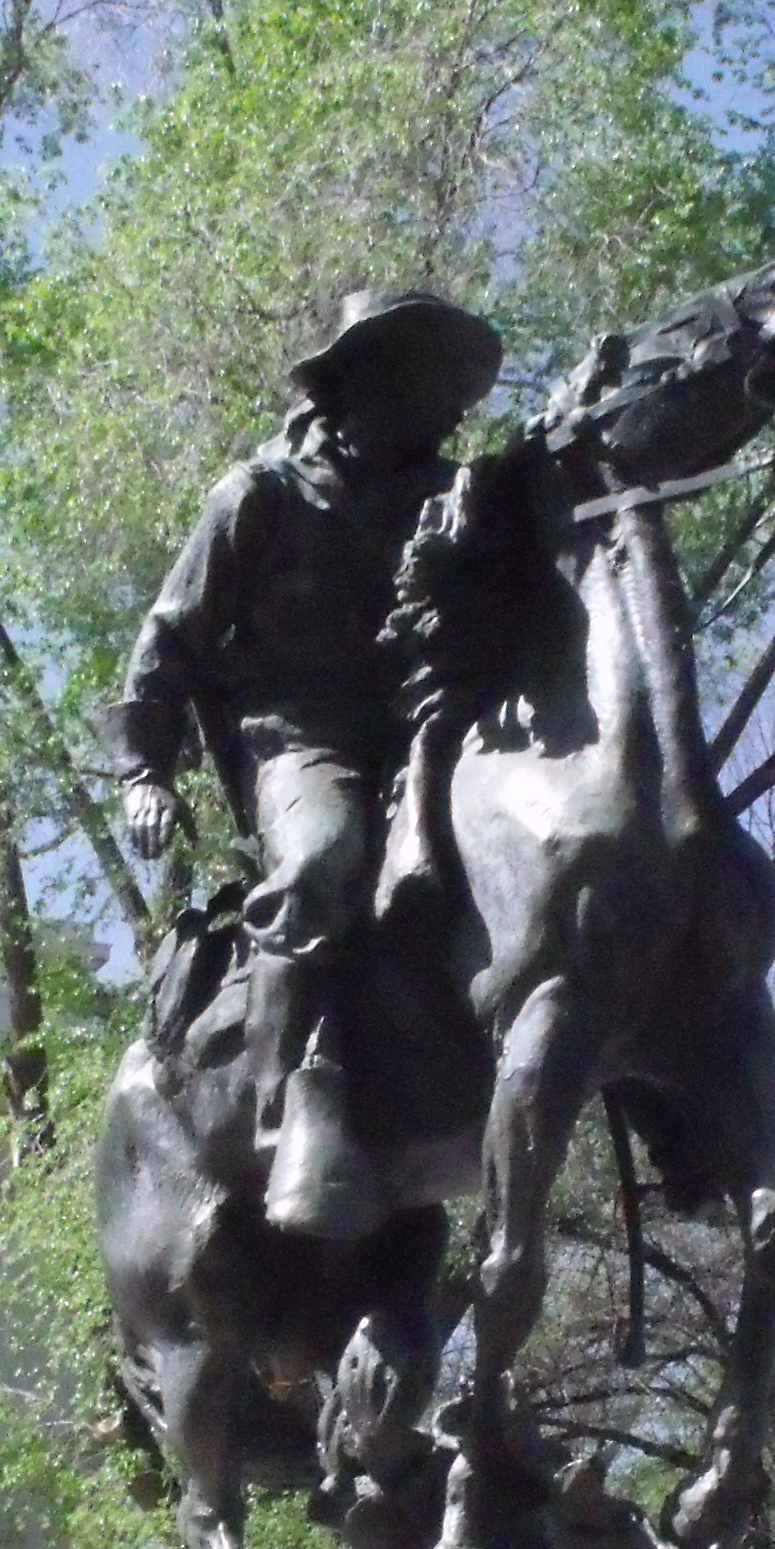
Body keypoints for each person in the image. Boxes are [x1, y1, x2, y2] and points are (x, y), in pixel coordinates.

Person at [114, 289, 504, 1240]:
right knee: (326, 860)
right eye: (433, 383)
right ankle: (283, 1104)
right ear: (370, 381)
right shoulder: (260, 494)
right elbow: (171, 637)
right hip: (298, 735)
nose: (450, 408)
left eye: (454, 390)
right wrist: (142, 771)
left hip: (426, 730)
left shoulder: (452, 499)